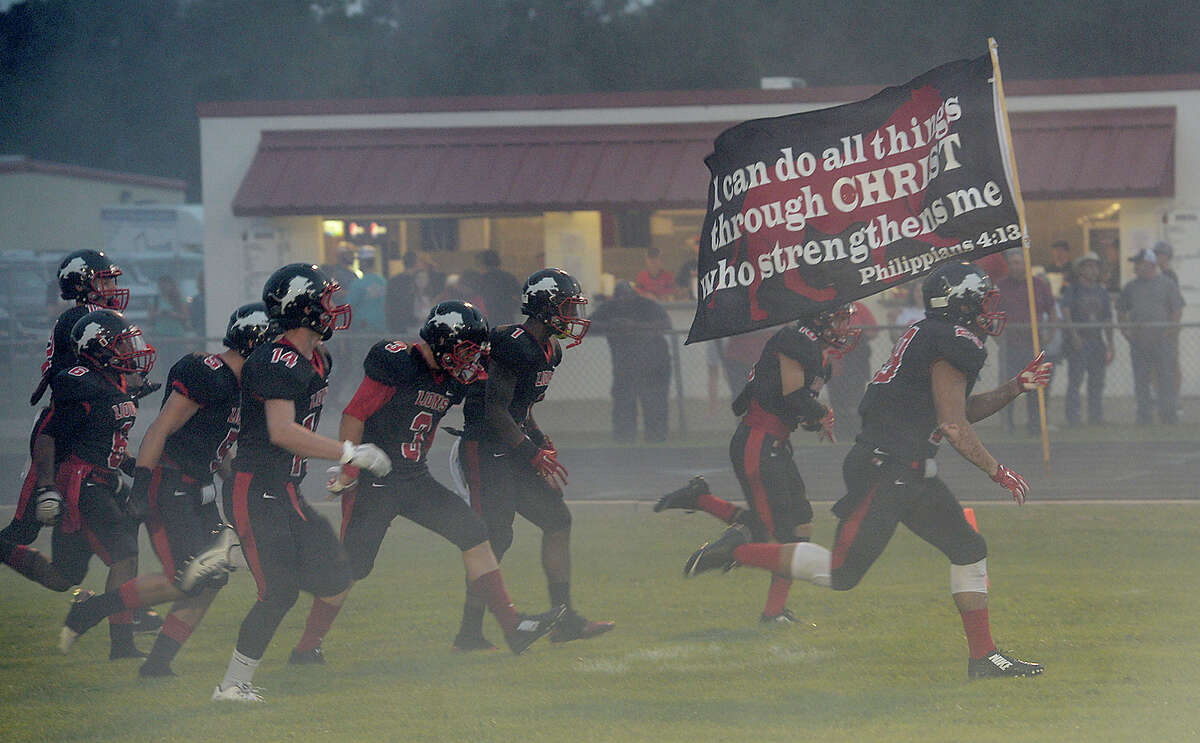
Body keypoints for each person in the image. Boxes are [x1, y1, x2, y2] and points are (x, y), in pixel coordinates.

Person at [684, 261, 1052, 679]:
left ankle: (983, 658)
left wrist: (1015, 387)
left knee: (969, 549)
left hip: (908, 469)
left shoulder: (934, 336)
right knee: (841, 573)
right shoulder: (952, 340)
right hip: (887, 468)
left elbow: (956, 411)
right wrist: (995, 469)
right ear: (961, 303)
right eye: (982, 299)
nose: (988, 308)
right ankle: (737, 551)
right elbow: (953, 425)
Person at [294, 301, 564, 662]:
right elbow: (354, 413)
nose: (470, 361)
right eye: (465, 351)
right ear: (442, 343)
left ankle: (513, 627)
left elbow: (499, 393)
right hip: (376, 482)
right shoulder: (397, 361)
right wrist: (350, 466)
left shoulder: (453, 376)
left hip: (415, 477)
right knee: (353, 568)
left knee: (475, 534)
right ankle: (307, 646)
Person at [56, 303, 275, 677]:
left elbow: (215, 446)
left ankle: (157, 665)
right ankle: (93, 609)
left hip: (199, 487)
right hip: (170, 482)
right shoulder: (208, 372)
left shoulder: (241, 387)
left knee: (211, 578)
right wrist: (141, 488)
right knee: (185, 577)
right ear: (256, 345)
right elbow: (159, 429)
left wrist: (233, 482)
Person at [211, 263, 392, 703]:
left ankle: (237, 551)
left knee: (335, 574)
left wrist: (331, 459)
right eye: (325, 300)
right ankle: (233, 685)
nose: (334, 307)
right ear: (302, 307)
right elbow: (281, 431)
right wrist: (348, 453)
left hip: (285, 488)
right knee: (280, 590)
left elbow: (295, 434)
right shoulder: (277, 358)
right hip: (256, 489)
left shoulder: (316, 357)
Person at [655, 306, 857, 623]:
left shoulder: (819, 358)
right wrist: (821, 414)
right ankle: (726, 554)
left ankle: (773, 611)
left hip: (775, 444)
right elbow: (793, 397)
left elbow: (797, 409)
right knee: (772, 535)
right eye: (841, 319)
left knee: (800, 525)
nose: (846, 326)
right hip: (758, 442)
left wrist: (816, 421)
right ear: (819, 318)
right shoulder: (796, 340)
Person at [452, 268, 614, 649]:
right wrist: (531, 450)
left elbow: (521, 408)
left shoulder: (549, 349)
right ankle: (469, 632)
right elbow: (494, 409)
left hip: (512, 444)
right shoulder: (514, 342)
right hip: (485, 448)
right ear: (545, 307)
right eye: (566, 305)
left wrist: (539, 438)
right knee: (495, 538)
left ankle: (565, 619)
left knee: (557, 519)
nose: (573, 314)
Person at [4, 251, 161, 642]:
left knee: (72, 571)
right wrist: (47, 484)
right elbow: (73, 390)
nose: (112, 288)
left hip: (81, 443)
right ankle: (122, 611)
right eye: (104, 280)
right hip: (64, 441)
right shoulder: (82, 322)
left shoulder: (91, 327)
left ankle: (121, 607)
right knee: (22, 531)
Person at [588, 281, 672, 442]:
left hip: (655, 365)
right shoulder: (609, 308)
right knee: (623, 405)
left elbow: (666, 323)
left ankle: (657, 440)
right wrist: (611, 325)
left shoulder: (646, 305)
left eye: (627, 295)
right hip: (624, 368)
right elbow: (588, 325)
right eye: (619, 296)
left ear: (634, 295)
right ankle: (624, 441)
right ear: (615, 297)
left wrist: (636, 326)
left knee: (654, 404)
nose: (623, 299)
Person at [1117, 249, 1184, 425]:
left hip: (1163, 342)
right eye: (1136, 264)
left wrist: (1170, 330)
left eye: (1139, 263)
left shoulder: (1168, 284)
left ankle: (1168, 416)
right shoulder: (1130, 287)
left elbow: (1177, 309)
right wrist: (1126, 332)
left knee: (1166, 379)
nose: (1136, 267)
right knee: (1141, 380)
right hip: (1139, 342)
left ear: (1151, 264)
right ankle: (1144, 416)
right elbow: (1121, 311)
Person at [995, 250, 1058, 434]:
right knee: (1008, 387)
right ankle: (1008, 424)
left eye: (1019, 263)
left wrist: (1050, 335)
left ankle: (1035, 424)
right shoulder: (1000, 286)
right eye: (1012, 263)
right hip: (1009, 347)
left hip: (1034, 346)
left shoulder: (1038, 285)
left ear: (1026, 264)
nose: (1016, 267)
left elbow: (1052, 311)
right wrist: (997, 338)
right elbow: (990, 314)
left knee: (1035, 387)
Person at [1060, 253, 1114, 426]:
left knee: (1097, 381)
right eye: (1088, 266)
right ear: (1081, 269)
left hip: (1097, 341)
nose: (1093, 270)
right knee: (1076, 380)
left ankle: (1095, 417)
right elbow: (1066, 313)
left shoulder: (1101, 291)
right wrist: (1074, 336)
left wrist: (1111, 343)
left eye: (1095, 266)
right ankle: (1073, 418)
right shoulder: (1072, 289)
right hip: (1079, 341)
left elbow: (1107, 318)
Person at [825, 300, 878, 441]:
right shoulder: (828, 307)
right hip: (836, 365)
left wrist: (856, 335)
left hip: (856, 367)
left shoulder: (859, 308)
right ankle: (840, 434)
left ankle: (856, 433)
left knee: (855, 402)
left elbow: (874, 331)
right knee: (838, 403)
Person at [345, 246, 387, 333]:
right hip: (382, 326)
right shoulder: (383, 281)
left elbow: (349, 307)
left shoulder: (358, 283)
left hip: (363, 327)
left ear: (363, 262)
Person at [475, 249, 522, 325]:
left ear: (483, 263)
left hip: (488, 320)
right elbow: (518, 297)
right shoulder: (509, 277)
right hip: (507, 319)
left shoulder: (482, 280)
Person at [386, 251, 421, 335]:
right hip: (411, 323)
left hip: (395, 323)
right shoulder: (415, 281)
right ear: (416, 263)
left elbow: (389, 302)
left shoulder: (393, 281)